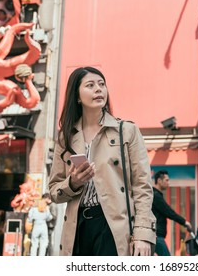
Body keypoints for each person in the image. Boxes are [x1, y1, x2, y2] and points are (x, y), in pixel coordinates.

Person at [48, 66, 156, 256]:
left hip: (114, 226)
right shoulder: (66, 137)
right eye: (90, 85)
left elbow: (143, 187)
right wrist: (73, 183)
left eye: (102, 84)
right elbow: (54, 192)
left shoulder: (126, 131)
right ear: (78, 96)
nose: (99, 89)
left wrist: (143, 234)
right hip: (77, 228)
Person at [152, 170, 192, 256]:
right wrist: (184, 222)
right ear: (159, 180)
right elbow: (169, 212)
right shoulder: (155, 196)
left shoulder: (156, 195)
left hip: (156, 235)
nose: (168, 183)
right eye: (166, 180)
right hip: (156, 236)